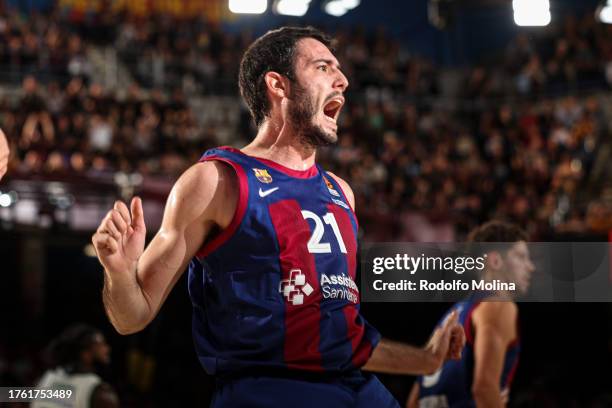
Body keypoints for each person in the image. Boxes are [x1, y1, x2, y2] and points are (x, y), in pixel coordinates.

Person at [92, 26, 464, 407]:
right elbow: (131, 316)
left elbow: (340, 340)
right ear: (278, 85)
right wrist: (119, 273)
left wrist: (427, 359)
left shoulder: (341, 192)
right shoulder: (217, 180)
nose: (343, 80)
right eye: (323, 68)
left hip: (358, 389)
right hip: (270, 392)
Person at [407, 221, 535, 408]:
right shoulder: (497, 306)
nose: (530, 267)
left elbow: (413, 401)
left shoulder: (452, 315)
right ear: (495, 260)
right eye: (521, 257)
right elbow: (483, 390)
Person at [32, 324, 119, 408]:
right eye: (101, 344)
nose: (107, 348)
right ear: (85, 354)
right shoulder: (101, 393)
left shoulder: (45, 379)